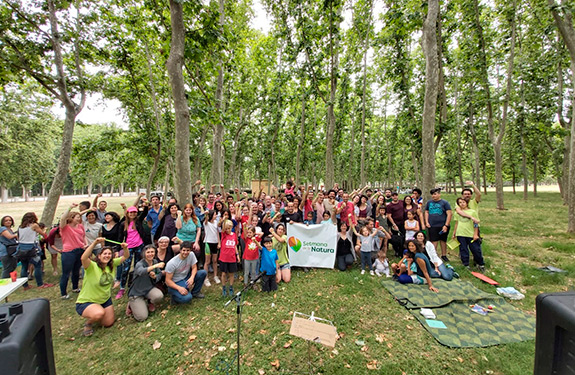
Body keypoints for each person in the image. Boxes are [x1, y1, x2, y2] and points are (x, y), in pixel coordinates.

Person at [75, 238, 129, 336]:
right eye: (104, 254)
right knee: (98, 314)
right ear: (99, 256)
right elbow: (83, 258)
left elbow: (126, 256)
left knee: (108, 323)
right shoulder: (91, 266)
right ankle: (89, 323)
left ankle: (98, 312)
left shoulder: (112, 264)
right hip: (87, 301)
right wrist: (95, 243)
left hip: (105, 300)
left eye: (109, 254)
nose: (107, 256)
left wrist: (125, 248)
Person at [116, 204, 150, 299]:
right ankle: (122, 287)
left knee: (137, 266)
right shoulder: (123, 224)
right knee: (125, 268)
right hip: (128, 247)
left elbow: (144, 213)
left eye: (134, 212)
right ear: (127, 213)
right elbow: (120, 237)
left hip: (139, 246)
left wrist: (146, 206)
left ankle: (135, 284)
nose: (133, 214)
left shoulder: (138, 221)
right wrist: (118, 249)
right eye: (131, 212)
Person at [126, 244, 165, 321]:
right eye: (148, 252)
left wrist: (155, 277)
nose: (150, 254)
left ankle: (149, 301)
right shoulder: (139, 264)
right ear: (144, 254)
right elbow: (141, 271)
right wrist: (155, 266)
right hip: (136, 292)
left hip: (148, 289)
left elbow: (159, 274)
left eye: (152, 252)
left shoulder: (154, 261)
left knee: (159, 296)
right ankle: (131, 305)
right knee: (142, 317)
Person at [59, 204, 85, 299]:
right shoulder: (65, 227)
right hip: (69, 252)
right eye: (77, 217)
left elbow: (83, 236)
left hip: (80, 250)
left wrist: (84, 245)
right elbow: (62, 219)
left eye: (79, 217)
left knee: (76, 271)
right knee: (66, 273)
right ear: (71, 218)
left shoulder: (80, 226)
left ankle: (75, 287)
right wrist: (69, 208)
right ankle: (63, 293)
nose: (79, 219)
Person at [452, 198, 485, 271]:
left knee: (476, 249)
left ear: (467, 203)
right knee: (463, 249)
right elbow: (456, 223)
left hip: (470, 234)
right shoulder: (457, 213)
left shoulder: (472, 212)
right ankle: (465, 264)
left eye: (463, 202)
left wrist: (476, 234)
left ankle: (480, 264)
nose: (462, 204)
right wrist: (454, 233)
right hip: (460, 233)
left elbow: (476, 224)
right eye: (460, 203)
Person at [424, 188, 452, 262]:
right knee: (434, 241)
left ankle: (444, 255)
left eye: (435, 194)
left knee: (443, 240)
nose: (433, 196)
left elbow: (449, 214)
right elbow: (426, 212)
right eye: (432, 194)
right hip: (432, 225)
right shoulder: (429, 203)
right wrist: (427, 222)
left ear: (439, 194)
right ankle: (434, 255)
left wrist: (446, 225)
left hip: (442, 225)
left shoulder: (445, 203)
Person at [218, 220, 240, 297]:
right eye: (226, 228)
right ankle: (224, 287)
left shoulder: (234, 235)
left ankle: (231, 287)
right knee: (223, 273)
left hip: (232, 258)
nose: (227, 230)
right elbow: (220, 226)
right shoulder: (223, 234)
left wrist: (237, 254)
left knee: (231, 274)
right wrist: (223, 220)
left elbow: (235, 245)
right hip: (224, 258)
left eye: (229, 228)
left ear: (231, 228)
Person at [203, 210, 221, 286]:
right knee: (207, 261)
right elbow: (206, 220)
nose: (216, 216)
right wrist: (206, 214)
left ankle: (215, 276)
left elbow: (217, 233)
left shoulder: (216, 223)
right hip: (208, 243)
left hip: (215, 243)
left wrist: (219, 242)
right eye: (214, 215)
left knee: (215, 260)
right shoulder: (206, 223)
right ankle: (205, 278)